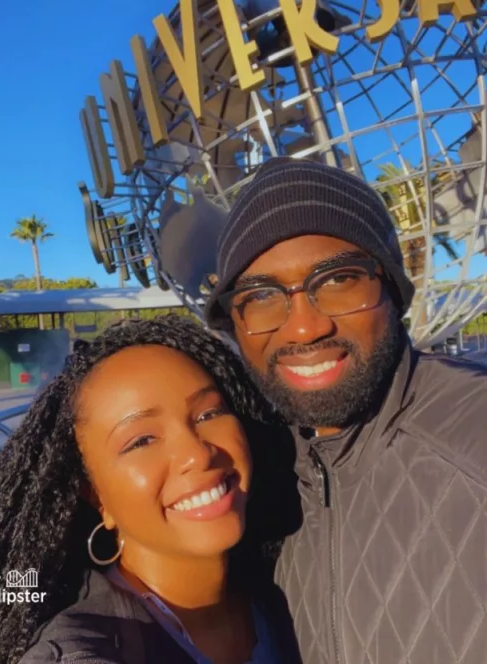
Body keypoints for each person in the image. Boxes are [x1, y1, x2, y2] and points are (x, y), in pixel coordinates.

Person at [204, 157, 487, 664]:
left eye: (338, 281)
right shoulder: (248, 484)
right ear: (234, 324)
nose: (304, 328)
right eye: (262, 296)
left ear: (393, 290)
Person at [0, 316, 301, 664]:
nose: (197, 454)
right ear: (96, 497)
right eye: (142, 440)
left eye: (208, 414)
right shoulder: (80, 651)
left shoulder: (286, 595)